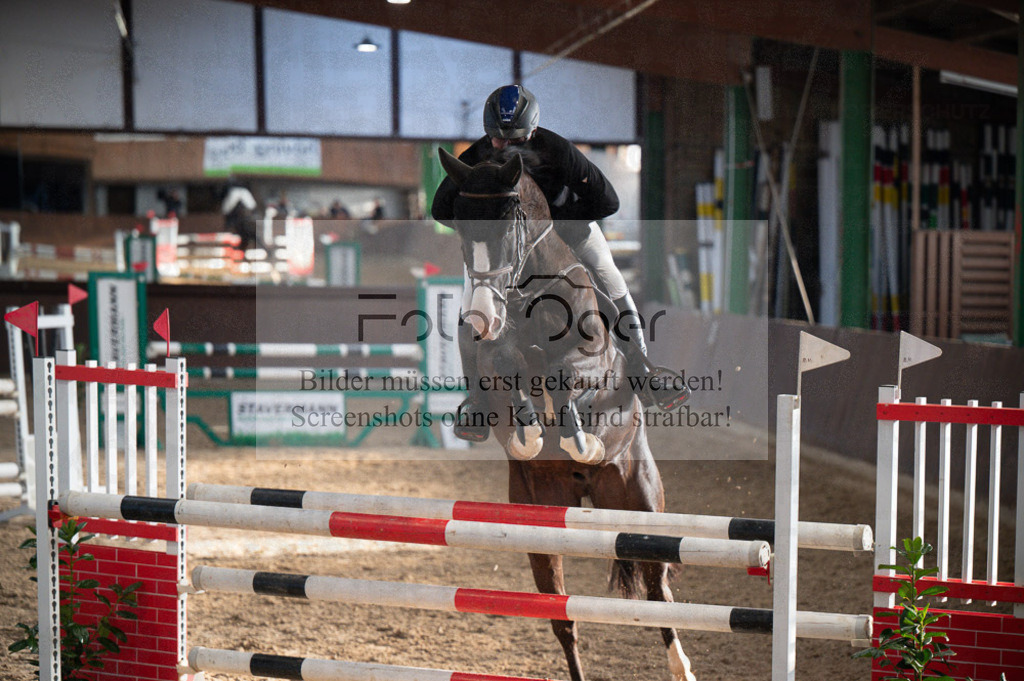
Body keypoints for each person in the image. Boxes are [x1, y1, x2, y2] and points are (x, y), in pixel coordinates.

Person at [431, 84, 688, 440]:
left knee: (611, 280)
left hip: (570, 232)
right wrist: (479, 228)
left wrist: (558, 225)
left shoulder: (557, 150)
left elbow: (607, 201)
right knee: (469, 311)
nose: (503, 146)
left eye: (513, 139)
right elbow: (439, 207)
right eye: (496, 139)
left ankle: (644, 371)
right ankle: (476, 401)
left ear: (532, 131)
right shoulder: (478, 154)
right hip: (502, 248)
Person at [221, 179, 268, 253]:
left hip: (239, 208)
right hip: (243, 205)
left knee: (226, 210)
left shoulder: (245, 235)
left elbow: (227, 212)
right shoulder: (249, 234)